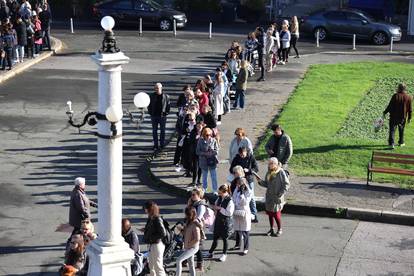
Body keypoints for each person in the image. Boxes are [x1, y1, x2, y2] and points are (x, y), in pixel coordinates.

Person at [256, 157, 290, 237]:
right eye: (269, 163)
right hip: (269, 197)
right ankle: (271, 229)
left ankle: (279, 229)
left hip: (277, 197)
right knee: (270, 214)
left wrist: (280, 194)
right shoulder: (269, 172)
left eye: (271, 163)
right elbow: (267, 184)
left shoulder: (280, 172)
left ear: (275, 164)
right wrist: (260, 182)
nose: (269, 165)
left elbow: (287, 184)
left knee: (276, 214)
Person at [229, 147, 259, 223]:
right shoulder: (236, 158)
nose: (242, 156)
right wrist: (237, 170)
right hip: (239, 180)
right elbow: (231, 169)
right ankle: (239, 213)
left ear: (246, 152)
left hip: (249, 179)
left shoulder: (251, 157)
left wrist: (249, 170)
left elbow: (256, 168)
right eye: (241, 155)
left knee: (251, 197)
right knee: (238, 196)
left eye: (243, 154)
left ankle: (254, 214)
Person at [207, 184, 234, 262]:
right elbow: (215, 205)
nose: (219, 194)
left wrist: (220, 208)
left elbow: (229, 213)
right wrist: (213, 208)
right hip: (218, 220)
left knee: (225, 239)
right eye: (219, 193)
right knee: (215, 237)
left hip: (226, 222)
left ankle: (224, 254)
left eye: (220, 193)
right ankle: (210, 252)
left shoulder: (230, 201)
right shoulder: (219, 198)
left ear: (225, 192)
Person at [383, 83, 412, 148]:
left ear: (399, 88)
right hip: (402, 117)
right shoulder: (408, 97)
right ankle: (401, 142)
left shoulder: (395, 96)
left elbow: (390, 106)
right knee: (401, 130)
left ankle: (391, 144)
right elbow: (410, 109)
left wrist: (385, 112)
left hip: (394, 116)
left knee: (392, 130)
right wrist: (409, 118)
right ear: (405, 89)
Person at [142, 201, 167, 276]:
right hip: (152, 245)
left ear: (150, 209)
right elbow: (153, 229)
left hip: (157, 244)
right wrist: (146, 230)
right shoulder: (151, 218)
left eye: (146, 208)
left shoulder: (157, 218)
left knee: (158, 267)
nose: (144, 210)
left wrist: (151, 238)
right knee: (151, 266)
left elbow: (163, 233)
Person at [175, 207, 202, 276]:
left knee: (179, 260)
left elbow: (197, 238)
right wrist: (181, 230)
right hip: (189, 246)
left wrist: (189, 245)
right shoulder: (189, 222)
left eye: (186, 214)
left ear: (190, 215)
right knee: (191, 263)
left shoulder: (195, 224)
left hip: (192, 247)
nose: (185, 216)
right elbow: (186, 234)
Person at [231, 173, 251, 255]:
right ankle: (237, 245)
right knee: (237, 229)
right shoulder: (237, 189)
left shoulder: (248, 191)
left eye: (240, 183)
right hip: (237, 211)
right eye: (238, 183)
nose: (238, 185)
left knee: (245, 231)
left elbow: (245, 203)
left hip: (244, 212)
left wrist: (242, 195)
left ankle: (246, 248)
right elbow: (234, 198)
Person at [187, 188, 206, 271]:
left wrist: (191, 222)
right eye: (191, 194)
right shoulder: (193, 203)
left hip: (196, 226)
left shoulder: (201, 205)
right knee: (188, 243)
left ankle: (200, 265)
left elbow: (199, 217)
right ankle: (185, 260)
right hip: (191, 225)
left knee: (197, 246)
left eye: (194, 194)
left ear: (199, 195)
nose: (192, 196)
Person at [147, 82, 171, 150]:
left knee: (162, 131)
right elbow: (149, 105)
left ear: (161, 88)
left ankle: (162, 144)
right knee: (154, 131)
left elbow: (168, 106)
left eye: (157, 88)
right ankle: (155, 145)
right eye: (155, 88)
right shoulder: (151, 96)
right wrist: (150, 113)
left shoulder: (166, 96)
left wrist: (166, 113)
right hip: (154, 116)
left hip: (162, 116)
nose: (156, 89)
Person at [196, 127, 219, 193]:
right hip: (204, 162)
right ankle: (204, 189)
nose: (208, 136)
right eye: (207, 135)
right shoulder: (200, 141)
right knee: (204, 177)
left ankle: (215, 190)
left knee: (213, 177)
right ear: (204, 135)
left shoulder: (214, 140)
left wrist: (212, 152)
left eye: (210, 135)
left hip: (212, 161)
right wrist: (205, 153)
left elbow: (217, 150)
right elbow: (197, 151)